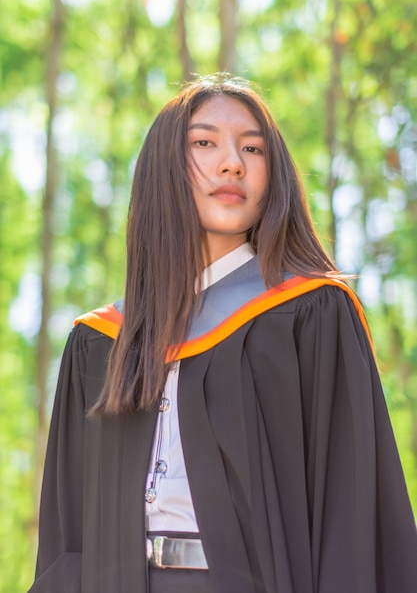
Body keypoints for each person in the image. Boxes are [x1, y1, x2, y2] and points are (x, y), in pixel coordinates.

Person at [29, 73, 417, 593]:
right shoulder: (100, 342)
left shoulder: (311, 314)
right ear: (162, 170)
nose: (231, 162)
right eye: (204, 142)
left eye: (252, 148)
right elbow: (68, 537)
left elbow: (349, 521)